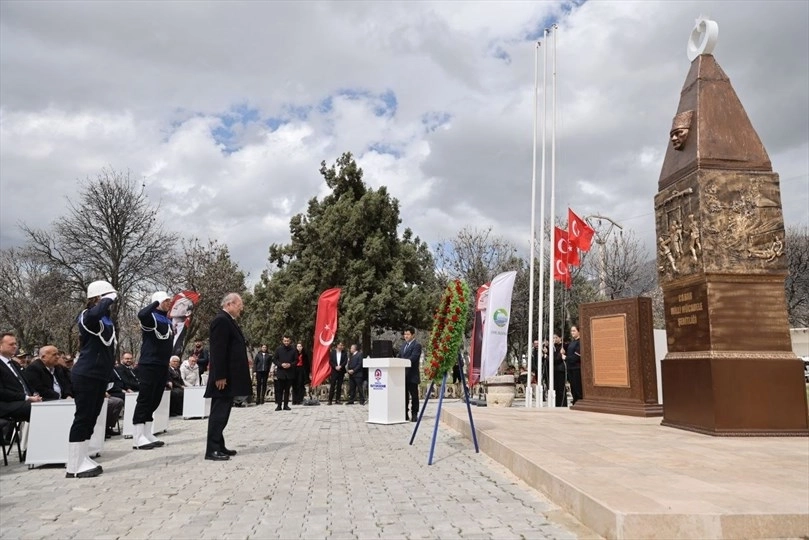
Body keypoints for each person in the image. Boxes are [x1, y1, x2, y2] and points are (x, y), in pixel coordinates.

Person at [67, 280, 117, 478]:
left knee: (92, 418)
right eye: (107, 298)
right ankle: (74, 464)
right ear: (98, 298)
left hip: (99, 374)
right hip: (86, 374)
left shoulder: (105, 319)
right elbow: (93, 315)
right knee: (83, 417)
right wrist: (107, 299)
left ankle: (83, 456)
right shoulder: (87, 315)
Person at [204, 293, 251, 461]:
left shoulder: (228, 320)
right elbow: (218, 350)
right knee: (219, 413)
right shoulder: (221, 321)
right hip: (223, 378)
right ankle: (212, 450)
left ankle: (219, 444)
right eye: (239, 305)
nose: (241, 309)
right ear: (229, 304)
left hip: (230, 377)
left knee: (223, 412)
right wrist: (220, 376)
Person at [132, 292, 174, 450]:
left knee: (155, 399)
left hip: (162, 364)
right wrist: (156, 302)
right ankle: (137, 436)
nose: (169, 303)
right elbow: (142, 314)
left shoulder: (167, 319)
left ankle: (147, 433)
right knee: (145, 398)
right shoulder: (151, 317)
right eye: (166, 300)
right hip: (149, 363)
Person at [0, 332, 41, 422]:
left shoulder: (14, 364)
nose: (15, 346)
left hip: (22, 401)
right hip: (6, 404)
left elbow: (25, 383)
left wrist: (34, 394)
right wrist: (26, 398)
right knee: (38, 409)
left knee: (49, 404)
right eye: (11, 344)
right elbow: (2, 392)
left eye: (15, 344)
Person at [400, 327, 422, 422]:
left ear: (413, 335)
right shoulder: (403, 345)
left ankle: (414, 414)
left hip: (412, 375)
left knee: (414, 396)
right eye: (405, 334)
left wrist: (402, 362)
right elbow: (399, 356)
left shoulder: (417, 345)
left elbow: (413, 358)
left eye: (408, 334)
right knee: (404, 396)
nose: (406, 336)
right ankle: (404, 413)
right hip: (403, 375)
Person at [273, 335, 295, 411]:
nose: (286, 342)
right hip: (281, 372)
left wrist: (290, 365)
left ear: (290, 341)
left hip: (289, 373)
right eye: (285, 341)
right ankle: (279, 405)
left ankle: (286, 405)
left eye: (287, 341)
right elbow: (274, 359)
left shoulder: (293, 350)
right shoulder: (278, 349)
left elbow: (296, 360)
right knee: (279, 390)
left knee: (287, 390)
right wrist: (281, 364)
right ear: (283, 341)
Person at [562, 326, 582, 405]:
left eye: (574, 331)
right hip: (570, 368)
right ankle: (575, 401)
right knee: (572, 387)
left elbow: (576, 357)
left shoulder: (580, 342)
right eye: (571, 331)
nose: (572, 332)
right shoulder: (572, 342)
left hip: (577, 368)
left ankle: (579, 401)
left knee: (577, 387)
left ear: (579, 332)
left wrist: (566, 358)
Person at [551, 334, 568, 407]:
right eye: (553, 338)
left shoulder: (564, 346)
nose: (554, 339)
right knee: (556, 389)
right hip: (554, 370)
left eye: (556, 337)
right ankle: (557, 403)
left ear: (560, 338)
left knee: (561, 388)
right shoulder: (553, 347)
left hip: (561, 369)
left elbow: (557, 359)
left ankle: (563, 404)